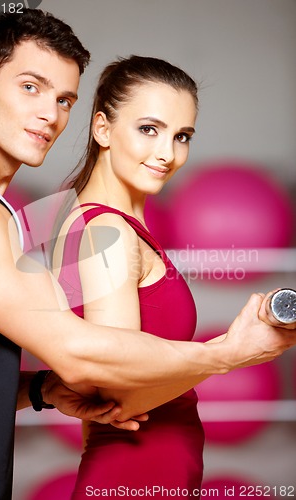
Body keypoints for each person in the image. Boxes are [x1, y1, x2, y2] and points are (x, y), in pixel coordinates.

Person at [0, 8, 294, 500]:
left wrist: (39, 390)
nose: (49, 114)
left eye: (64, 99)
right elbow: (82, 358)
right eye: (29, 87)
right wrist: (229, 353)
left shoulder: (7, 213)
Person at [51, 55, 296, 497]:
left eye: (181, 136)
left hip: (148, 469)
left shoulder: (100, 222)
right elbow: (115, 390)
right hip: (137, 468)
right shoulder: (106, 230)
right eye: (149, 129)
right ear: (102, 128)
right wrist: (230, 350)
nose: (168, 153)